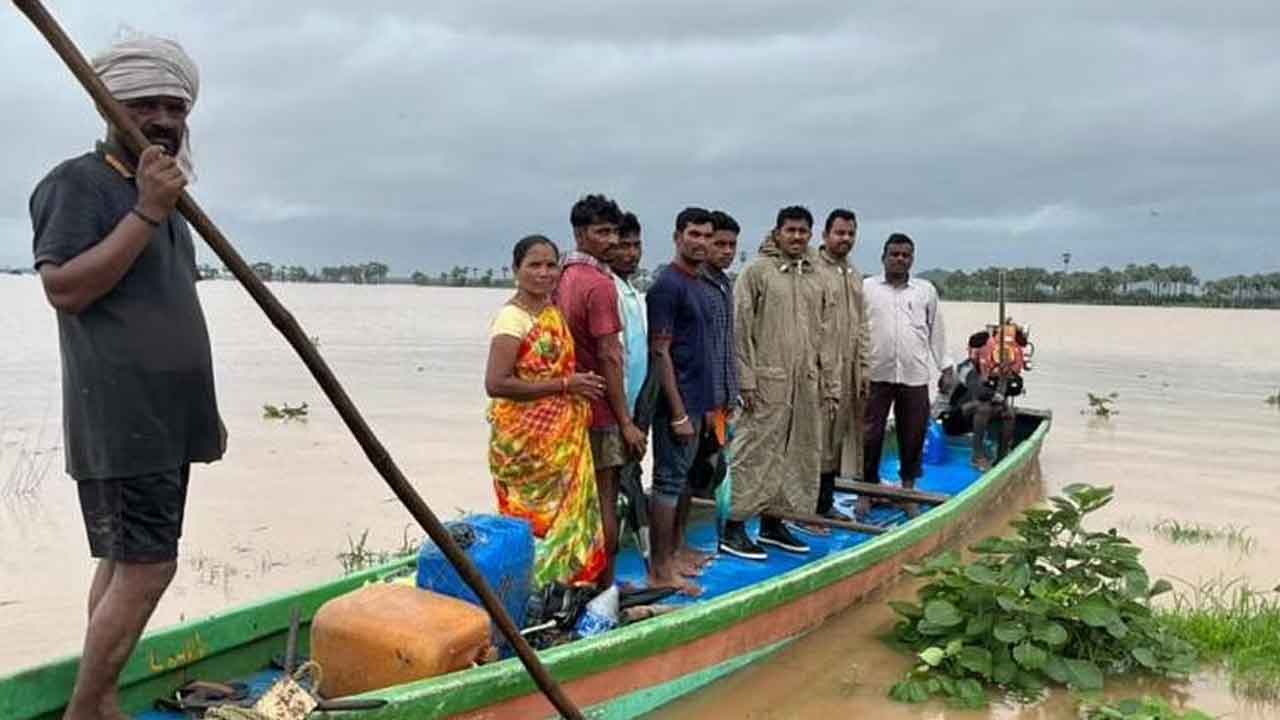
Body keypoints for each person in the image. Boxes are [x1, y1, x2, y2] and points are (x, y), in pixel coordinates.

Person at [29, 34, 224, 720]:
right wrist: (145, 210)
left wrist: (154, 204)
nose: (165, 119)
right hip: (122, 415)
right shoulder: (80, 184)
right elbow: (65, 291)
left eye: (175, 106)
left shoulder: (159, 190)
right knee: (149, 565)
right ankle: (91, 706)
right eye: (145, 104)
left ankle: (96, 690)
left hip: (165, 418)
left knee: (121, 563)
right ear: (105, 101)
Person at [485, 236, 609, 588]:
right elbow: (496, 383)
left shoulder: (551, 312)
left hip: (562, 442)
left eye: (551, 265)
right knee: (531, 523)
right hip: (524, 446)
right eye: (534, 265)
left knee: (566, 519)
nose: (543, 273)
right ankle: (528, 590)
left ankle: (566, 589)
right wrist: (566, 385)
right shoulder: (512, 318)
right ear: (516, 271)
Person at [721, 207, 838, 560]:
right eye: (791, 231)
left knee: (796, 453)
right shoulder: (758, 272)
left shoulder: (816, 275)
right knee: (754, 452)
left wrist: (829, 384)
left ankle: (774, 522)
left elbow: (826, 333)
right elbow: (739, 329)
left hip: (805, 382)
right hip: (766, 380)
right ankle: (734, 526)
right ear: (778, 232)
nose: (798, 237)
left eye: (804, 231)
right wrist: (746, 380)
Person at [555, 194, 645, 588]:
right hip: (601, 410)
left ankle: (573, 579)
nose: (610, 240)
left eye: (613, 231)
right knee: (606, 500)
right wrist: (626, 421)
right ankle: (605, 585)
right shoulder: (598, 284)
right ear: (580, 234)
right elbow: (611, 355)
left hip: (567, 408)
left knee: (574, 502)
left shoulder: (561, 277)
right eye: (601, 232)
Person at [645, 207, 716, 594]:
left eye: (707, 235)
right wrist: (676, 413)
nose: (701, 242)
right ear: (677, 237)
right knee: (668, 483)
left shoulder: (699, 284)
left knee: (687, 478)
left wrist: (707, 406)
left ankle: (677, 550)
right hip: (677, 403)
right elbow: (661, 352)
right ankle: (659, 569)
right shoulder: (666, 287)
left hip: (699, 401)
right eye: (695, 234)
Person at [862, 233, 952, 517]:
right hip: (875, 374)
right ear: (883, 257)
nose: (900, 259)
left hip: (914, 376)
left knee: (912, 434)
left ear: (912, 258)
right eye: (894, 254)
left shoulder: (925, 290)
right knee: (870, 436)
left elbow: (936, 331)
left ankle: (908, 490)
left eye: (905, 255)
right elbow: (855, 331)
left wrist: (946, 366)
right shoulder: (866, 288)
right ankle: (867, 491)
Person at [810, 209, 870, 527]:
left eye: (850, 234)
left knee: (834, 441)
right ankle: (804, 508)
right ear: (825, 234)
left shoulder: (854, 275)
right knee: (813, 441)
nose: (845, 239)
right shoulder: (812, 270)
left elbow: (861, 327)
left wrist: (863, 369)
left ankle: (824, 504)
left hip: (847, 373)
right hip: (818, 372)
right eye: (839, 233)